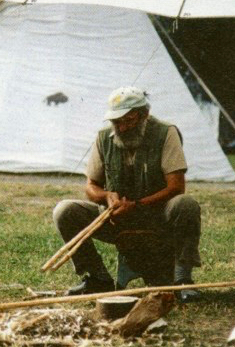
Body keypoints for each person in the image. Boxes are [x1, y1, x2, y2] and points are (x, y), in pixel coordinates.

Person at [53, 86, 201, 301]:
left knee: (185, 204)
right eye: (116, 122)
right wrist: (106, 196)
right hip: (116, 219)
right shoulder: (104, 138)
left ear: (144, 115)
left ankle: (182, 279)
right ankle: (97, 278)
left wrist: (138, 205)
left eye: (128, 120)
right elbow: (91, 185)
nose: (122, 128)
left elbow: (176, 187)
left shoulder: (165, 133)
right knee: (64, 210)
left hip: (157, 216)